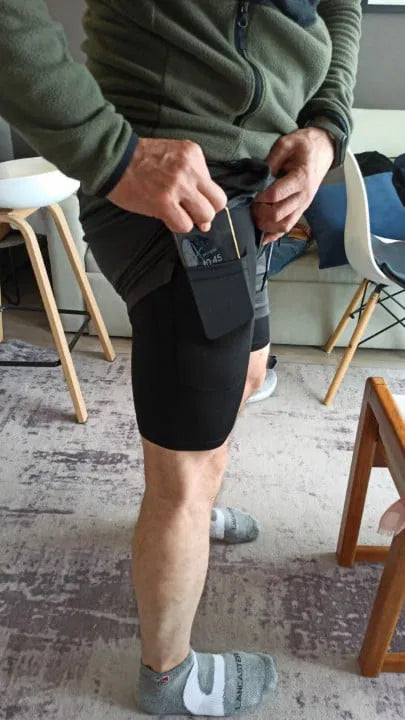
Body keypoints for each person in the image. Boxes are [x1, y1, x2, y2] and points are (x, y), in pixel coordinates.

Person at [0, 1, 362, 715]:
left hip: (255, 187)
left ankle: (193, 511)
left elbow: (339, 5)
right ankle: (169, 678)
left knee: (248, 372)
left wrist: (326, 127)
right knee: (186, 466)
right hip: (167, 188)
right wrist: (112, 152)